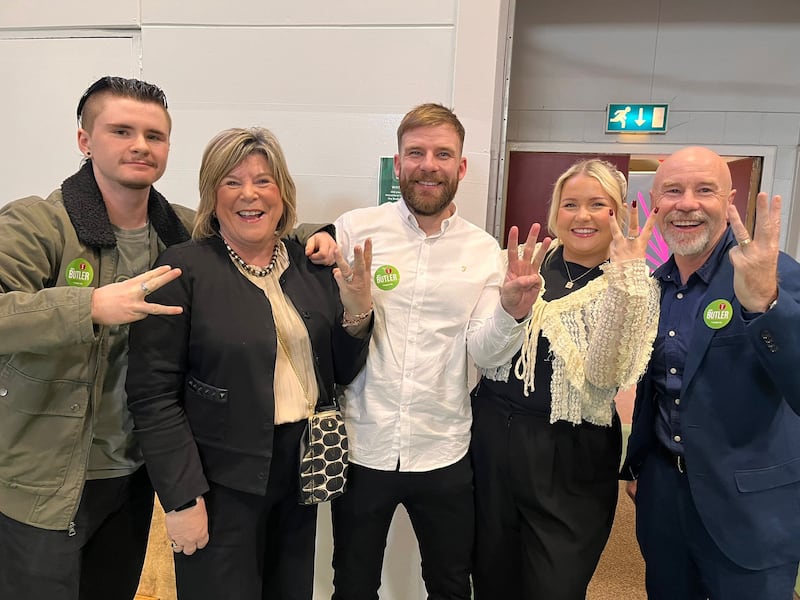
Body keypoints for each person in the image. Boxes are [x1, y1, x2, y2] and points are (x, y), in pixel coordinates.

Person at [0, 77, 337, 600]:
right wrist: (90, 305)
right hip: (45, 475)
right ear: (85, 140)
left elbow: (255, 224)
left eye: (154, 136)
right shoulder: (37, 224)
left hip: (132, 470)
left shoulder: (176, 230)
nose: (140, 145)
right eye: (121, 131)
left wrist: (323, 235)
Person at [125, 126, 373, 600]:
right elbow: (152, 396)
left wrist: (357, 308)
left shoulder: (310, 266)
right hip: (218, 481)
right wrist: (181, 499)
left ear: (282, 192)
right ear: (212, 195)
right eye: (232, 182)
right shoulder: (181, 270)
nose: (249, 195)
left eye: (263, 181)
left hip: (299, 472)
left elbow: (339, 373)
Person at [330, 103, 549, 600]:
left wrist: (512, 312)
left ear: (461, 166)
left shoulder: (483, 251)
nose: (428, 165)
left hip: (444, 450)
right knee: (353, 585)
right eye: (416, 153)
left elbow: (485, 354)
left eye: (443, 154)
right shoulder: (355, 230)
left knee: (450, 585)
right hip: (364, 446)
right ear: (398, 163)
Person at [470, 159, 660, 599]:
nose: (582, 216)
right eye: (570, 203)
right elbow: (482, 349)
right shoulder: (521, 263)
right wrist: (510, 308)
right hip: (493, 440)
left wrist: (626, 282)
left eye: (598, 204)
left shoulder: (637, 285)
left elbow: (607, 375)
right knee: (493, 578)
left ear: (618, 212)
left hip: (573, 454)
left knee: (556, 585)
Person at [621, 146, 800, 599]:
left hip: (750, 507)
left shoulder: (772, 272)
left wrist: (766, 307)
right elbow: (655, 388)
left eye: (705, 190)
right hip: (665, 499)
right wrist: (641, 465)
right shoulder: (655, 286)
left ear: (729, 200)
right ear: (655, 203)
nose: (687, 204)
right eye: (673, 191)